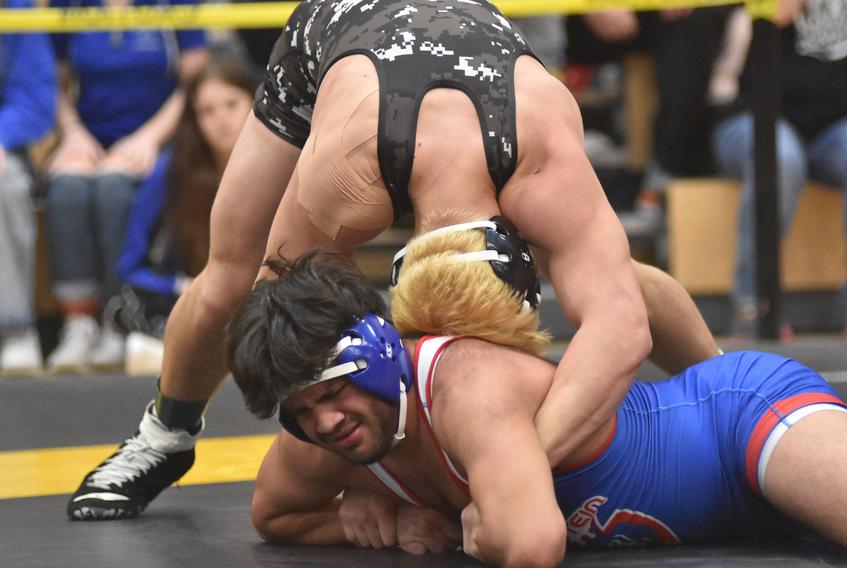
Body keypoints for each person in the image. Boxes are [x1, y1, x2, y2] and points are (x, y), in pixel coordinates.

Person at [67, 0, 720, 520]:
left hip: (479, 73)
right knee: (236, 276)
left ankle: (724, 383)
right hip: (333, 39)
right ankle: (163, 436)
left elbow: (622, 323)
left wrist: (514, 466)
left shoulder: (541, 147)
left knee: (613, 280)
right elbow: (277, 313)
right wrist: (418, 477)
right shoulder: (344, 181)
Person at [226, 249, 847, 565]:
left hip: (736, 423)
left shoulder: (464, 386)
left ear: (378, 352)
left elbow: (530, 544)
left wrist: (466, 518)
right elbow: (275, 513)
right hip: (742, 498)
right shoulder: (324, 431)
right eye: (300, 412)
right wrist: (366, 514)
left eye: (334, 390)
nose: (324, 422)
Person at [711, 0, 847, 342]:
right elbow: (778, 12)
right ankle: (754, 303)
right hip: (759, 116)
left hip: (843, 124)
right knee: (780, 158)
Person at [43, 0, 208, 373]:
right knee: (66, 187)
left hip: (158, 137)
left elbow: (197, 82)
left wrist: (148, 140)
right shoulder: (67, 5)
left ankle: (116, 318)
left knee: (113, 188)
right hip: (87, 138)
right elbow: (53, 81)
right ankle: (77, 324)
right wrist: (72, 136)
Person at [112, 57, 256, 373]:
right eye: (207, 111)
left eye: (231, 104)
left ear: (255, 103)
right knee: (134, 307)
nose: (221, 120)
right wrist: (180, 288)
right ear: (194, 119)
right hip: (191, 300)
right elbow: (130, 267)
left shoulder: (284, 166)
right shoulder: (169, 171)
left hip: (258, 301)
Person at [0, 0, 57, 375]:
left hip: (4, 150)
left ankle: (15, 330)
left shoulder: (16, 10)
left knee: (7, 185)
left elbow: (34, 102)